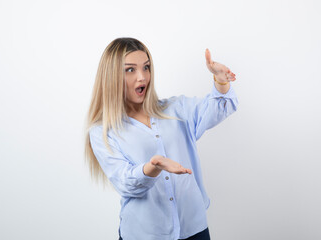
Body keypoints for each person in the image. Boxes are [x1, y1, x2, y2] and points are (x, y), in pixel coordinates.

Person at [84, 37, 238, 240]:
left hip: (193, 229)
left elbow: (217, 108)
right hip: (143, 234)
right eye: (130, 69)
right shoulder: (103, 131)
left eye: (146, 67)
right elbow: (125, 182)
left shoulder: (176, 109)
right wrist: (153, 166)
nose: (142, 77)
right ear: (111, 76)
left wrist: (221, 81)